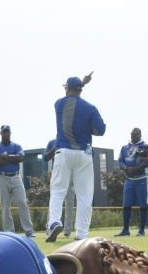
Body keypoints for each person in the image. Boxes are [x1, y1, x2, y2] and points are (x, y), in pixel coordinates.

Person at [45, 74, 105, 242]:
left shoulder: (59, 104)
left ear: (67, 88)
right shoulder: (91, 108)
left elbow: (71, 99)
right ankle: (82, 234)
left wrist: (81, 84)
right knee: (84, 195)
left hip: (63, 152)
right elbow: (101, 130)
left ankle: (55, 222)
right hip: (84, 153)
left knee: (58, 191)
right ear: (80, 89)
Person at [0, 125, 35, 238]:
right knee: (5, 206)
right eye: (3, 132)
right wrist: (12, 159)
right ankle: (9, 231)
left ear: (10, 133)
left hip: (16, 176)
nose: (6, 134)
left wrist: (4, 157)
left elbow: (20, 158)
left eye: (7, 132)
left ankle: (29, 230)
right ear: (0, 134)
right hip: (1, 177)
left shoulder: (16, 146)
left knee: (22, 202)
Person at [116, 128, 148, 237]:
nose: (133, 136)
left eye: (135, 134)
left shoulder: (145, 146)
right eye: (132, 134)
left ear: (140, 134)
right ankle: (125, 230)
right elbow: (120, 160)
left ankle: (141, 230)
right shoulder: (125, 147)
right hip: (129, 179)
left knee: (143, 204)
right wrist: (125, 167)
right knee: (126, 204)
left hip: (142, 178)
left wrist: (136, 168)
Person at [44, 139, 76, 237]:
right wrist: (55, 149)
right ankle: (50, 228)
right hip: (57, 172)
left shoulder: (72, 138)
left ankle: (67, 231)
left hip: (71, 172)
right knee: (54, 201)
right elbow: (45, 158)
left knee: (69, 203)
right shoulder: (52, 142)